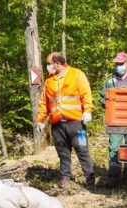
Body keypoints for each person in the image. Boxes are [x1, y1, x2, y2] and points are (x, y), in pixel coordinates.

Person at [36, 52, 95, 189]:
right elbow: (44, 102)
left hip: (77, 124)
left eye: (49, 64)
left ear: (57, 63)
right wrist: (40, 119)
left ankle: (90, 178)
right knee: (63, 153)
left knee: (82, 149)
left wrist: (87, 111)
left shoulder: (76, 74)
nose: (48, 67)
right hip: (57, 124)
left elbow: (86, 93)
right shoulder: (49, 80)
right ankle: (65, 179)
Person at [99, 51, 127, 188]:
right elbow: (102, 98)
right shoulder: (109, 81)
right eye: (117, 64)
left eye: (121, 63)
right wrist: (106, 105)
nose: (118, 66)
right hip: (115, 122)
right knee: (114, 149)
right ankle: (113, 178)